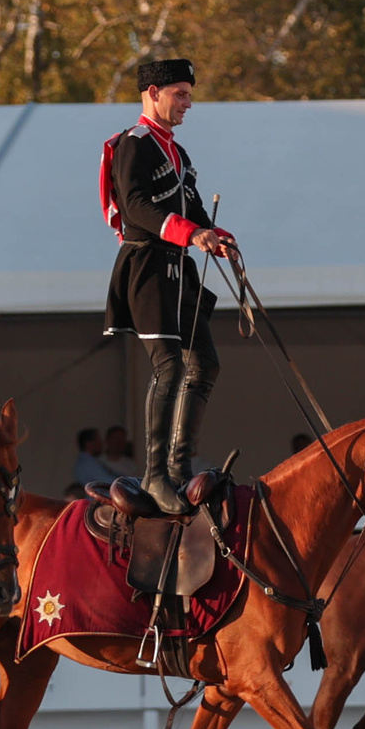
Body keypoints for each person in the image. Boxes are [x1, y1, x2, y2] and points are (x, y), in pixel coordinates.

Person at [102, 54, 236, 515]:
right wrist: (189, 233)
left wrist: (217, 235)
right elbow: (136, 206)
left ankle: (179, 470)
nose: (187, 104)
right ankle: (155, 476)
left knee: (206, 364)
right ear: (153, 93)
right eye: (180, 94)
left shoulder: (177, 153)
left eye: (189, 95)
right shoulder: (133, 144)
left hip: (180, 270)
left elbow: (192, 208)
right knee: (169, 367)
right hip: (148, 267)